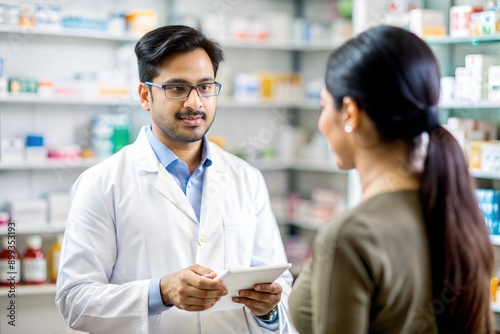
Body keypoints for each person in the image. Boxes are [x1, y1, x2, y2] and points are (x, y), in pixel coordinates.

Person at [56, 25, 296, 334]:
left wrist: (270, 309)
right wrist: (161, 292)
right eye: (176, 88)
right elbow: (74, 301)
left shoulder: (247, 178)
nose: (195, 103)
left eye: (205, 87)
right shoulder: (102, 183)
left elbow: (280, 286)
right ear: (145, 95)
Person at [288, 25, 494, 334]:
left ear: (349, 113)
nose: (320, 123)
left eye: (322, 106)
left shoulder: (350, 235)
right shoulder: (457, 210)